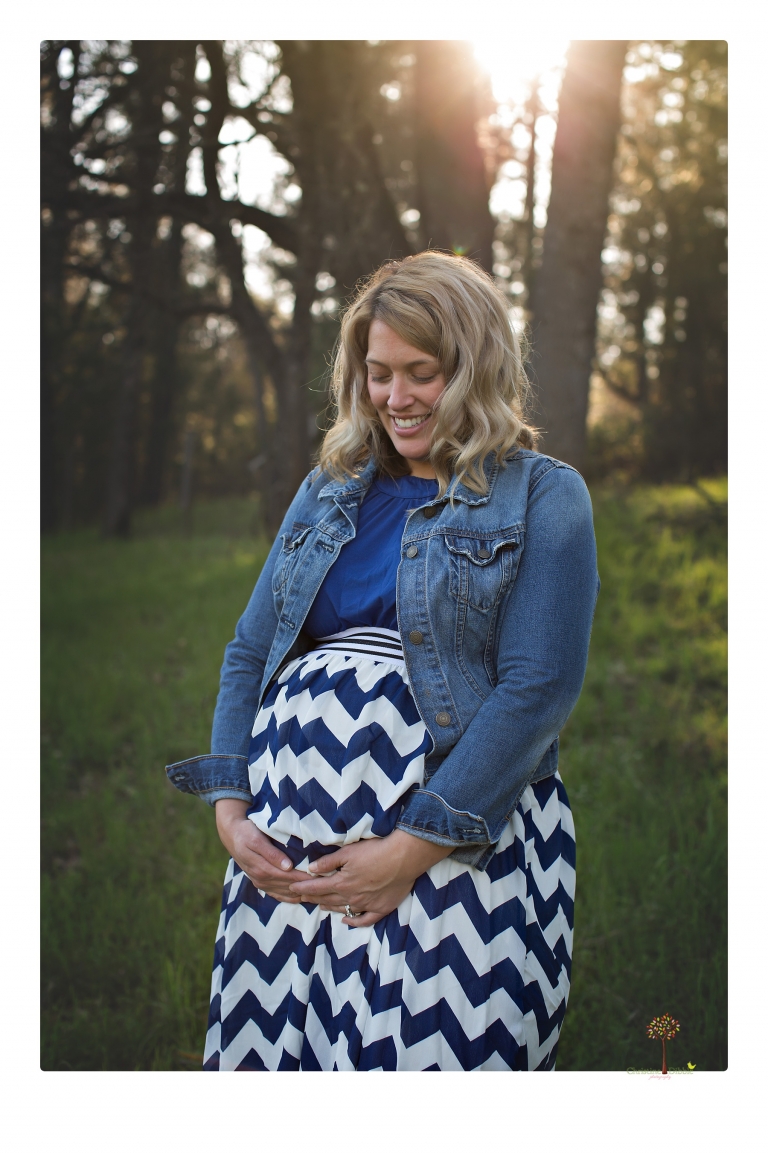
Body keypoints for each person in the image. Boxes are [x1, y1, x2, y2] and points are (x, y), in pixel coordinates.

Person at [167, 251, 599, 1071]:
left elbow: (538, 688)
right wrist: (231, 804)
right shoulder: (329, 489)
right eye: (377, 373)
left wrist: (410, 849)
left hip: (455, 845)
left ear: (475, 367)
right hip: (289, 845)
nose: (395, 398)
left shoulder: (544, 495)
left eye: (421, 373)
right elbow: (252, 647)